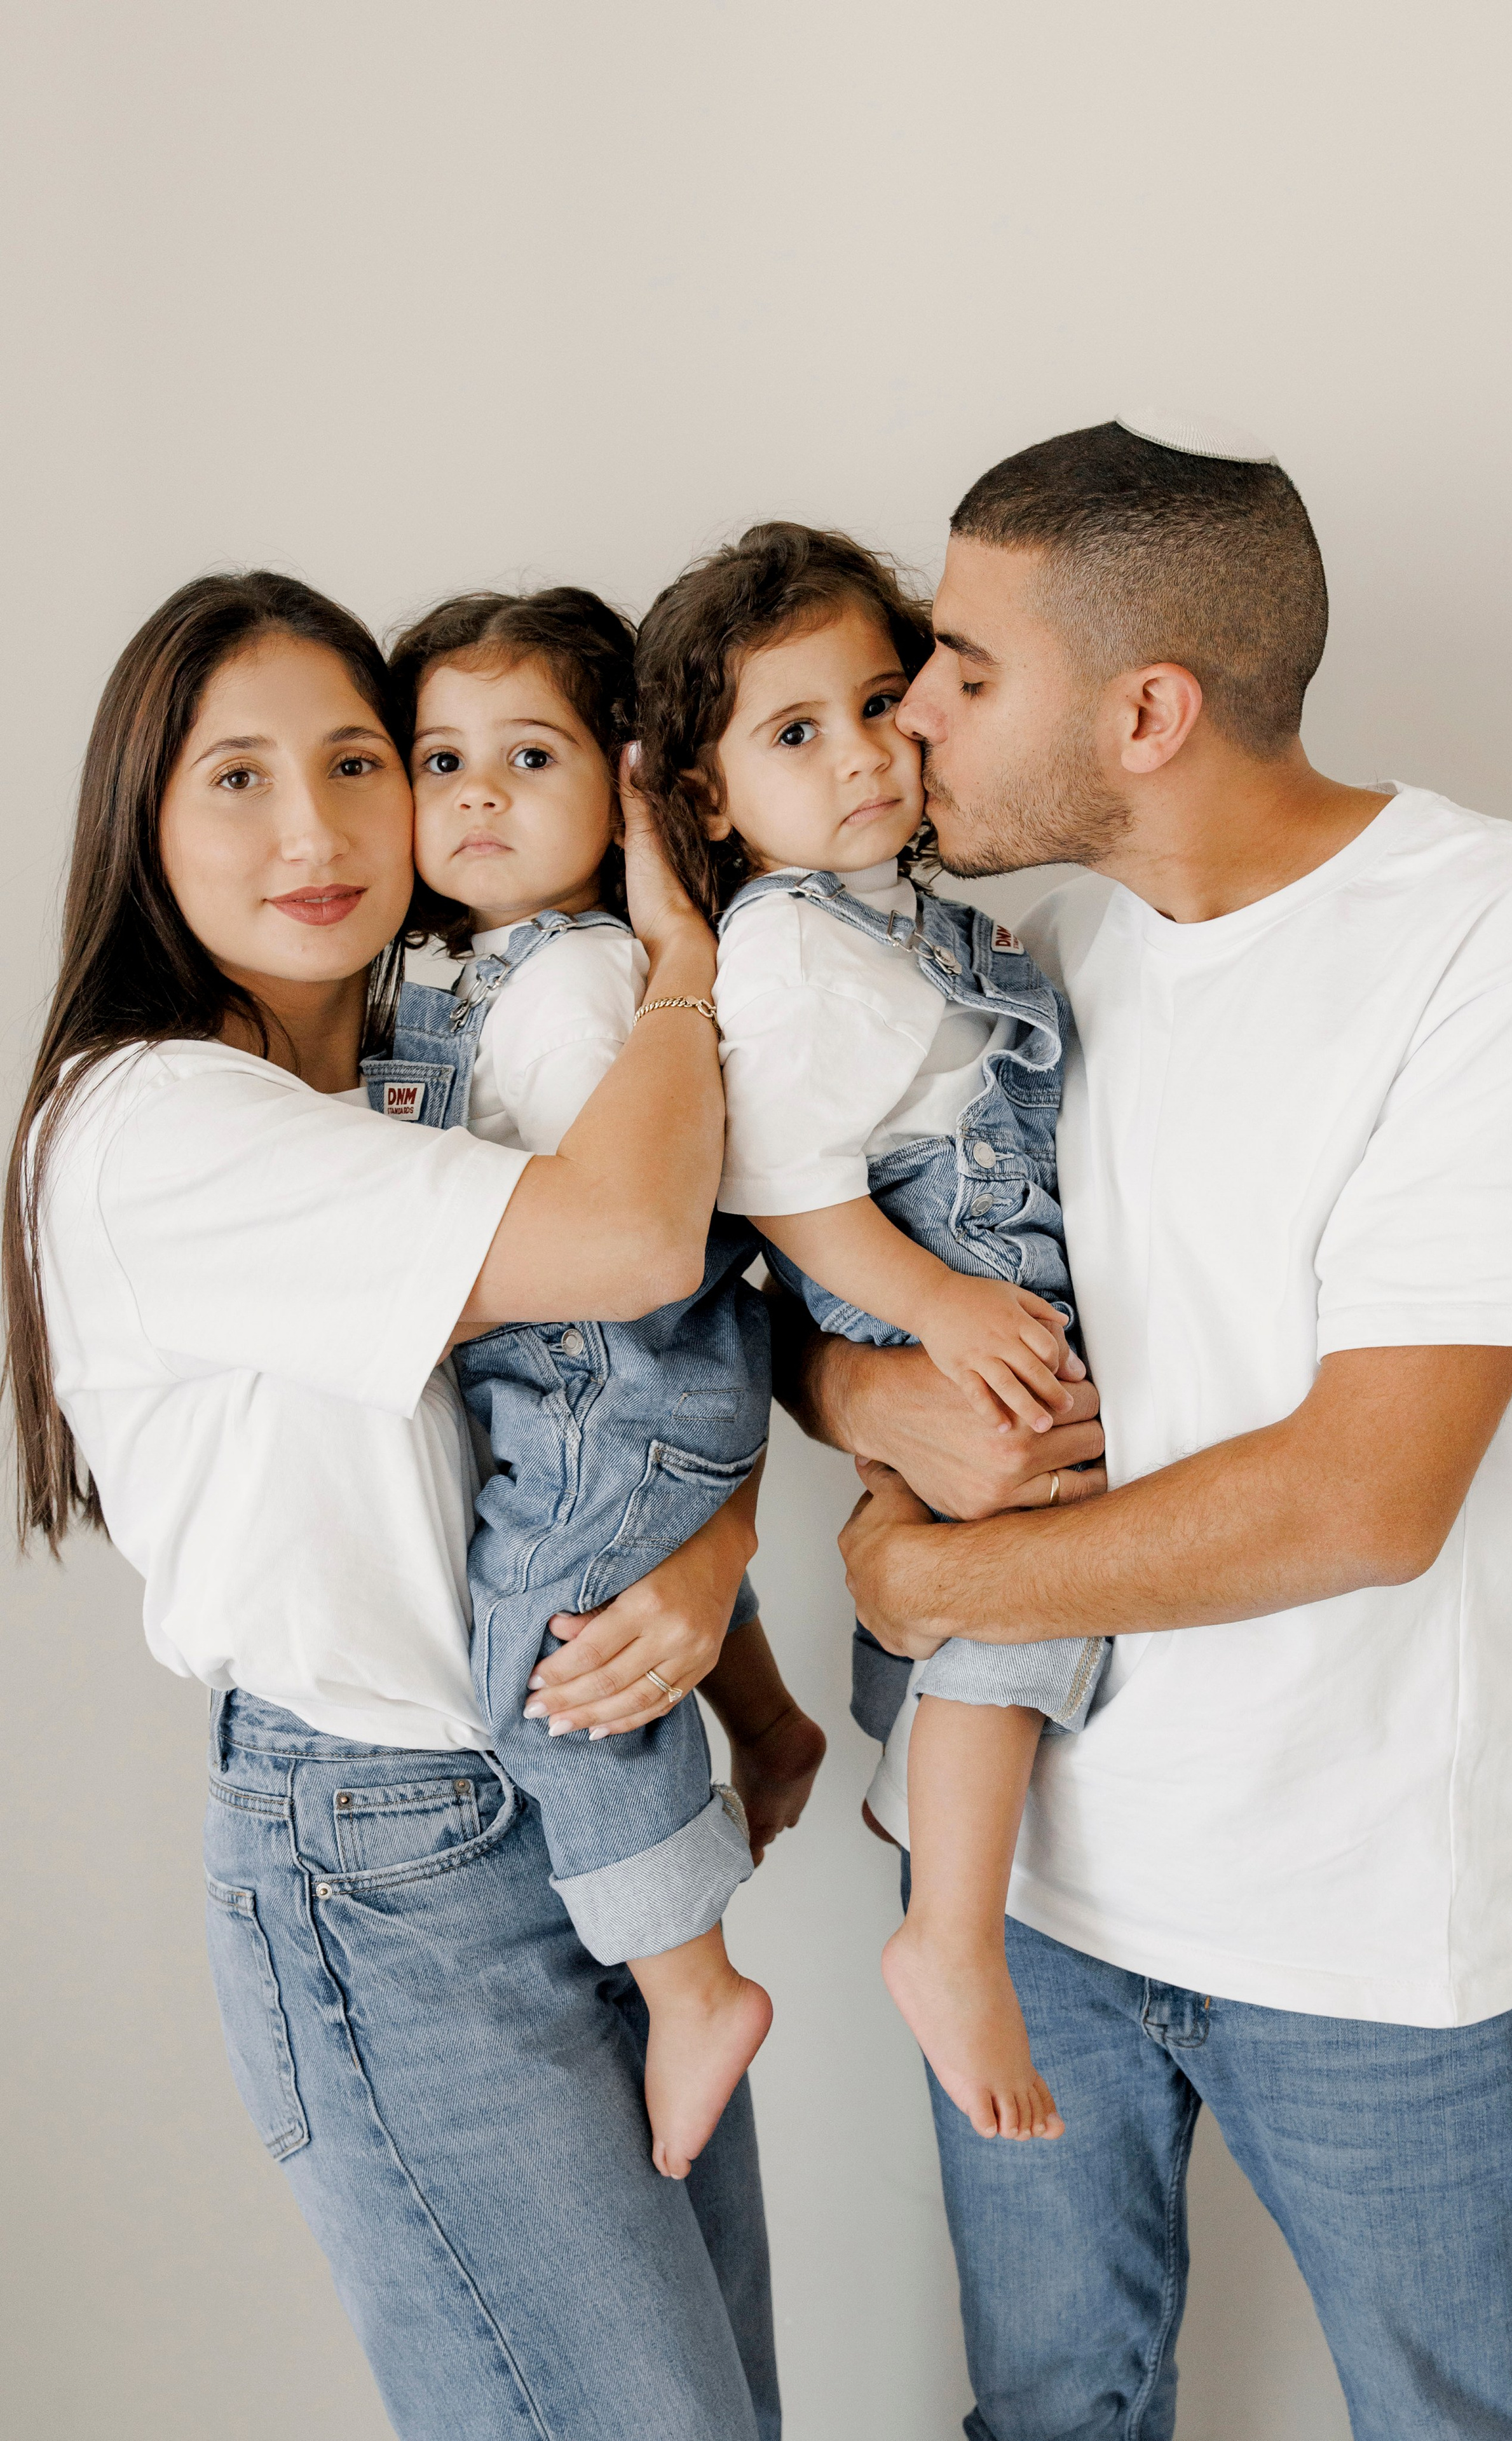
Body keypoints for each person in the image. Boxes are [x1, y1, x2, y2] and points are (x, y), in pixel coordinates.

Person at [786, 416, 1512, 2440]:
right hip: (1031, 1902)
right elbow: (822, 1308)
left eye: (971, 670)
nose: (913, 713)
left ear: (1148, 709)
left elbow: (1367, 1497)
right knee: (1050, 2418)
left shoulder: (1508, 939)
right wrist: (865, 1395)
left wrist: (928, 1571)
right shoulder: (1033, 957)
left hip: (1371, 1926)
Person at [3, 571, 780, 2440]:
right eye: (237, 780)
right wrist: (681, 958)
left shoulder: (427, 1067)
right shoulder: (156, 1122)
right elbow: (641, 1238)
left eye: (358, 762)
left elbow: (628, 1391)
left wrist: (723, 1547)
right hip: (388, 1865)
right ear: (143, 825)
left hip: (581, 1794)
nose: (316, 829)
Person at [636, 521, 1106, 2145]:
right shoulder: (788, 946)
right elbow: (785, 1193)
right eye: (790, 735)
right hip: (934, 1284)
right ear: (705, 800)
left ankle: (950, 1897)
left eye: (875, 703)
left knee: (1014, 1594)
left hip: (964, 1294)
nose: (858, 758)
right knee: (1027, 1580)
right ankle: (947, 1936)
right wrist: (938, 1307)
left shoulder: (891, 915)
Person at [365, 583, 824, 2180]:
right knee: (630, 1595)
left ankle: (692, 1989)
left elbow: (628, 1221)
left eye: (529, 757)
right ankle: (769, 1732)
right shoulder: (448, 967)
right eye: (437, 760)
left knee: (547, 1666)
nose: (476, 795)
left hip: (609, 1376)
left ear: (625, 792)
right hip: (602, 1396)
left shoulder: (568, 988)